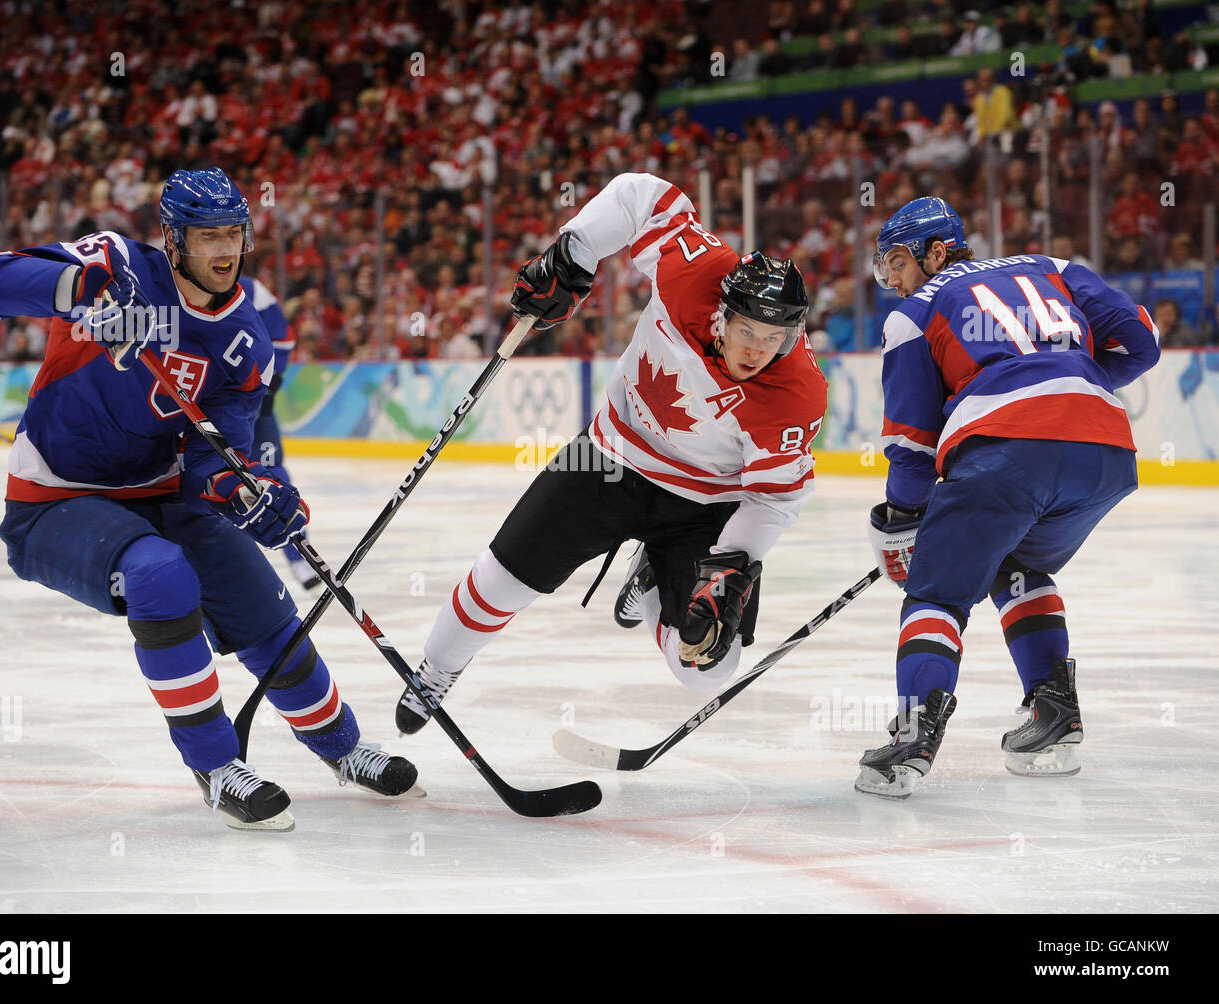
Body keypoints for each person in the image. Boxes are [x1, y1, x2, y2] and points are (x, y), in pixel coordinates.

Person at [0, 167, 419, 831]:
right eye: (207, 236)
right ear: (174, 241)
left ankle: (343, 748)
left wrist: (250, 492)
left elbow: (214, 454)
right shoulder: (115, 263)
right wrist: (76, 291)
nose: (225, 248)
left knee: (262, 605)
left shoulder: (244, 343)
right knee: (159, 575)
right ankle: (216, 766)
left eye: (233, 232)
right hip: (56, 500)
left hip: (166, 495)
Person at [393, 172, 827, 735]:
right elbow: (639, 194)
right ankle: (435, 671)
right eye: (748, 331)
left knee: (707, 665)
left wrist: (729, 571)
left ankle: (651, 585)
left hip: (704, 505)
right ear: (723, 312)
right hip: (606, 459)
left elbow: (774, 498)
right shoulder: (695, 271)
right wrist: (575, 252)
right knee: (500, 579)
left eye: (775, 339)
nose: (758, 350)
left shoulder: (794, 393)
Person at [861, 196, 1161, 798]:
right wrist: (1071, 377)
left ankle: (914, 737)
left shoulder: (914, 314)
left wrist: (903, 519)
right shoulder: (1055, 267)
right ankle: (1054, 714)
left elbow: (912, 446)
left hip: (1005, 451)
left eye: (896, 259)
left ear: (936, 251)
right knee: (1019, 563)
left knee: (938, 591)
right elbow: (1141, 342)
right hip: (1103, 450)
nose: (890, 277)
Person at [238, 272, 321, 590]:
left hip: (254, 408)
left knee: (273, 473)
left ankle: (300, 555)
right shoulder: (170, 292)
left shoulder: (251, 291)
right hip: (210, 406)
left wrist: (269, 386)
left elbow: (282, 338)